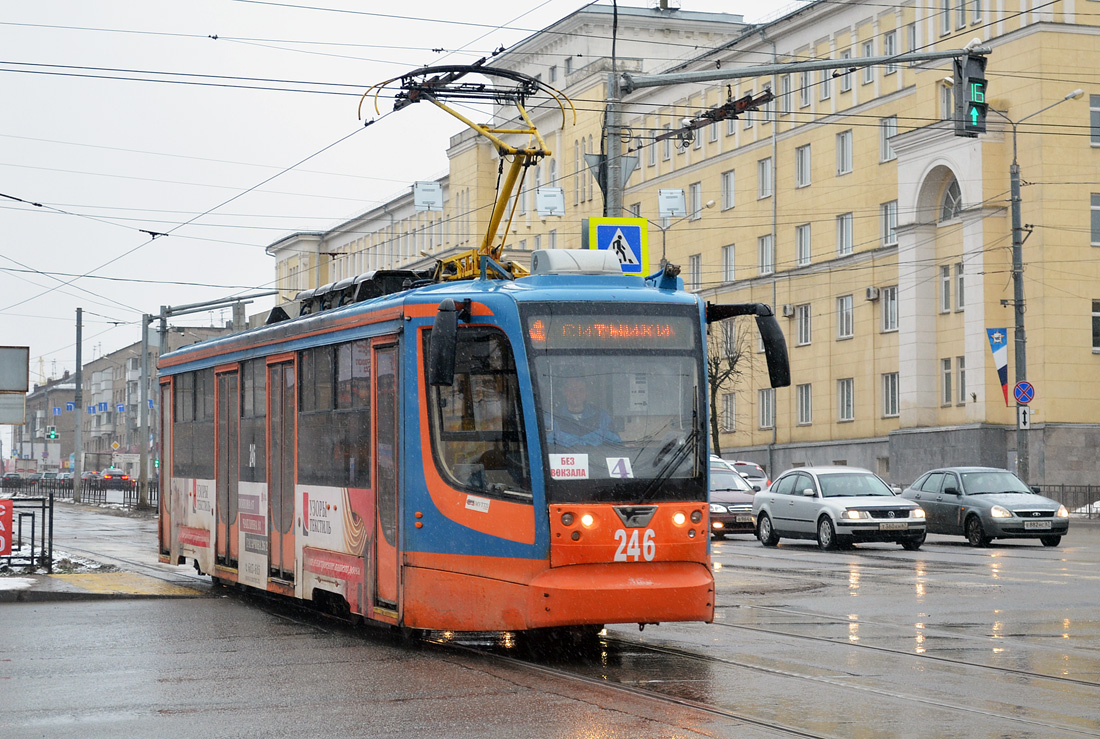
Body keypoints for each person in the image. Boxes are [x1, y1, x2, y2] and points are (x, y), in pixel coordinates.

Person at [545, 376, 620, 447]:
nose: (576, 394)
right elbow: (546, 448)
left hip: (595, 460)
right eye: (572, 390)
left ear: (586, 393)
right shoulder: (552, 418)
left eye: (581, 390)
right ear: (564, 392)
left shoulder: (601, 417)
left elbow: (615, 445)